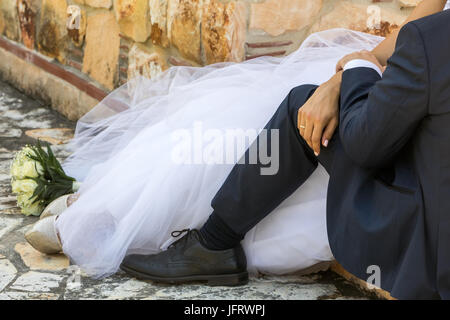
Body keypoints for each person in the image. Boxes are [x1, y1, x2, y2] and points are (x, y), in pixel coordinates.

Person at [25, 0, 449, 299]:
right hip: (421, 132)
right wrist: (356, 68)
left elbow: (366, 143)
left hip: (423, 220)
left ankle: (206, 241)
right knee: (297, 99)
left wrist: (353, 74)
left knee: (303, 106)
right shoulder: (432, 39)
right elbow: (414, 36)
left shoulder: (437, 44)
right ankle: (125, 203)